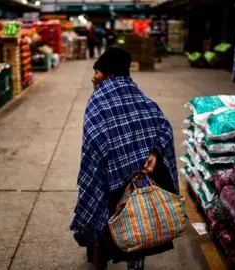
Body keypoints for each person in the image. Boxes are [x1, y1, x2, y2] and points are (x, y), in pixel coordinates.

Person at [70, 47, 178, 270]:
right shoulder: (142, 99)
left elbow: (94, 142)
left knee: (104, 218)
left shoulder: (98, 101)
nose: (93, 77)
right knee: (136, 223)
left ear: (109, 75)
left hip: (110, 183)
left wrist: (111, 165)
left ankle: (100, 261)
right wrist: (154, 153)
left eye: (97, 72)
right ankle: (134, 265)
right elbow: (164, 127)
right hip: (136, 182)